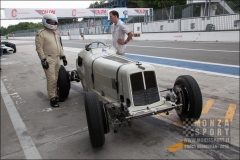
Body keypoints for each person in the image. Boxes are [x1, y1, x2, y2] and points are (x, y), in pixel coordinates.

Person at [35, 13, 67, 108]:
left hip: (57, 58)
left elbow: (59, 46)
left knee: (56, 79)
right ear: (46, 21)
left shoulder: (54, 34)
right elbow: (39, 48)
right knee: (51, 79)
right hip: (48, 59)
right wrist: (43, 60)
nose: (53, 23)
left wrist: (63, 56)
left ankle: (56, 95)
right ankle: (52, 99)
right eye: (51, 21)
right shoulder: (41, 34)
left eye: (54, 22)